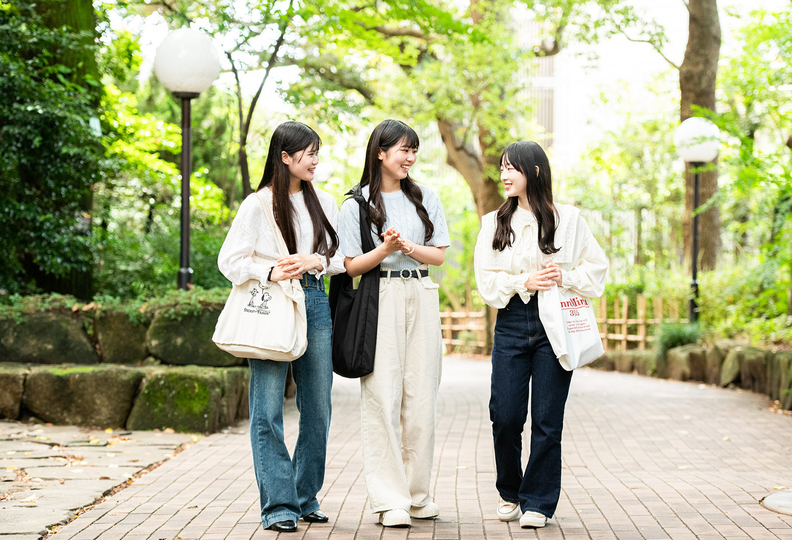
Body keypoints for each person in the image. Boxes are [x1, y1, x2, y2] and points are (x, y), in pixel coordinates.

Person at [218, 121, 345, 533]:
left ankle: (305, 497)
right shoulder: (258, 204)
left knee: (318, 407)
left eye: (316, 153)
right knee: (267, 409)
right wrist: (270, 269)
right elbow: (230, 261)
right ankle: (278, 505)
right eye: (308, 153)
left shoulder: (324, 201)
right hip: (272, 302)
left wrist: (317, 262)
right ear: (285, 157)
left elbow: (342, 256)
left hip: (314, 298)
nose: (315, 160)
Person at [473, 141, 607, 529]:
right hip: (513, 321)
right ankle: (510, 491)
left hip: (555, 325)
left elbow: (597, 271)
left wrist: (565, 275)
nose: (504, 175)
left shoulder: (569, 219)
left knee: (548, 420)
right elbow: (486, 282)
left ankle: (539, 502)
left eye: (511, 168)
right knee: (506, 415)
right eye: (501, 168)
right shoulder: (492, 223)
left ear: (533, 171)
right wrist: (523, 280)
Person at [337, 119, 450, 528]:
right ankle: (390, 500)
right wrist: (386, 248)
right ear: (380, 152)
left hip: (421, 293)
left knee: (422, 398)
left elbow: (438, 256)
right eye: (404, 149)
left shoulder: (426, 196)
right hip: (379, 296)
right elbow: (350, 266)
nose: (410, 158)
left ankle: (419, 495)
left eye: (414, 150)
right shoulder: (355, 204)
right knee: (382, 398)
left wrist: (410, 248)